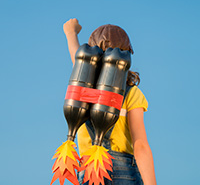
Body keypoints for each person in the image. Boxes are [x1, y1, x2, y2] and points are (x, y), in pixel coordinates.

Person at [63, 18, 157, 185]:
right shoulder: (132, 93)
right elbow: (140, 145)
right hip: (123, 172)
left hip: (88, 172)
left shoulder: (82, 89)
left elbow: (76, 58)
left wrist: (71, 32)